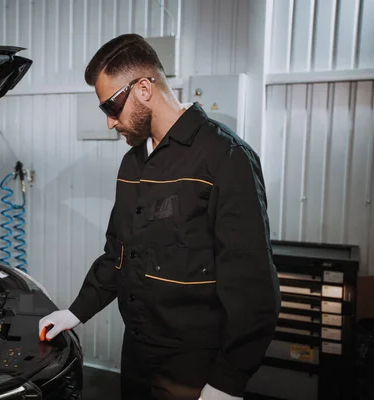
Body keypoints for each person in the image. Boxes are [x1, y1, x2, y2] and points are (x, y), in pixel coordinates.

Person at [38, 33, 281, 400]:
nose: (109, 122)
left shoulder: (226, 158)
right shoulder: (132, 163)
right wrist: (75, 313)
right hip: (136, 358)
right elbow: (117, 253)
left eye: (110, 107)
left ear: (145, 89)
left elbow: (253, 288)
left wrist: (227, 382)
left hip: (194, 373)